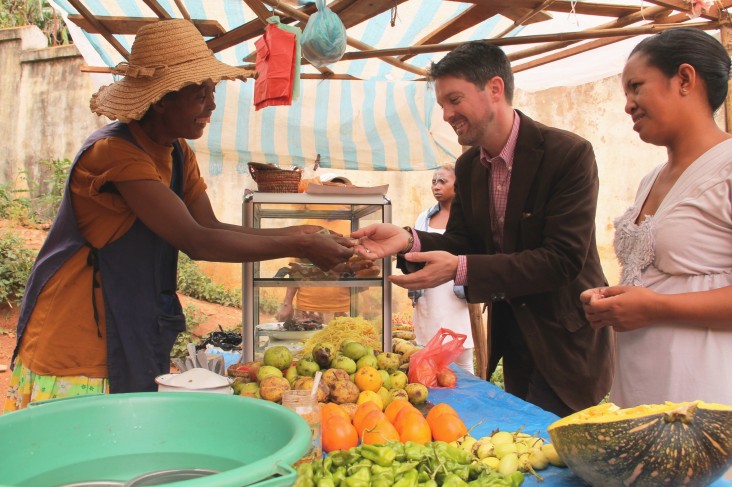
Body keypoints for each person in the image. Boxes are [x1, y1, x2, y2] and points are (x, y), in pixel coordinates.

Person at [4, 19, 353, 412]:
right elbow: (195, 241)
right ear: (161, 98)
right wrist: (300, 244)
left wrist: (303, 230)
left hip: (135, 317)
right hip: (78, 333)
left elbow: (210, 225)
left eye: (213, 91)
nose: (212, 105)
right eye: (199, 94)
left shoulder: (175, 152)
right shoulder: (114, 153)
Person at [353, 41, 614, 416]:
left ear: (494, 89)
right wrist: (408, 240)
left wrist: (461, 268)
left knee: (558, 456)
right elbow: (465, 241)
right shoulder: (471, 167)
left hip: (565, 340)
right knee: (524, 447)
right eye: (442, 104)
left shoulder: (567, 154)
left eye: (454, 100)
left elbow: (562, 260)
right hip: (513, 338)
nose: (446, 114)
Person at [580, 28, 732, 407]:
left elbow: (659, 297)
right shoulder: (651, 179)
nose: (628, 105)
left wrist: (655, 306)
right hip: (644, 387)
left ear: (684, 79)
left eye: (636, 87)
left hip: (704, 393)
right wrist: (614, 302)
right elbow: (652, 279)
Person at [409, 164, 474, 374]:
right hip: (429, 292)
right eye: (434, 182)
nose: (436, 186)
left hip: (456, 293)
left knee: (462, 357)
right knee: (428, 355)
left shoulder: (468, 219)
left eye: (443, 181)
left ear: (458, 185)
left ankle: (468, 401)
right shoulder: (423, 217)